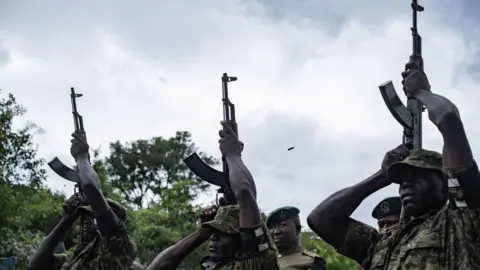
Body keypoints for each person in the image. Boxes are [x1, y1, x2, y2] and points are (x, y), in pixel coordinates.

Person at [307, 61, 480, 269]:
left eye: (417, 177)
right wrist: (382, 176)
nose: (406, 184)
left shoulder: (461, 221)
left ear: (444, 184)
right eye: (402, 179)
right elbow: (321, 219)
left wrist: (422, 92)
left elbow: (449, 120)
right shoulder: (382, 243)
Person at [147, 121, 278, 270]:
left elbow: (244, 194)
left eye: (223, 234)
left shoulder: (256, 262)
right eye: (214, 234)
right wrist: (202, 232)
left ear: (242, 239)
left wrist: (232, 155)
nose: (213, 239)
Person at [28, 130, 136, 270]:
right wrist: (65, 222)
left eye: (92, 217)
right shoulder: (77, 256)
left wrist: (82, 156)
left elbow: (91, 187)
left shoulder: (119, 247)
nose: (86, 222)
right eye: (84, 216)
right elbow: (36, 265)